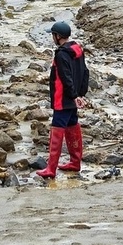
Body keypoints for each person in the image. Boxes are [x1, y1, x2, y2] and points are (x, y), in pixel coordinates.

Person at [36, 21, 89, 178]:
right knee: (72, 125)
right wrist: (80, 95)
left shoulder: (61, 54)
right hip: (73, 97)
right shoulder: (78, 49)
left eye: (53, 35)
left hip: (63, 99)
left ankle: (51, 168)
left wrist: (73, 96)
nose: (52, 38)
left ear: (58, 36)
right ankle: (75, 162)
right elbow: (85, 72)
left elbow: (65, 78)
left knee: (57, 130)